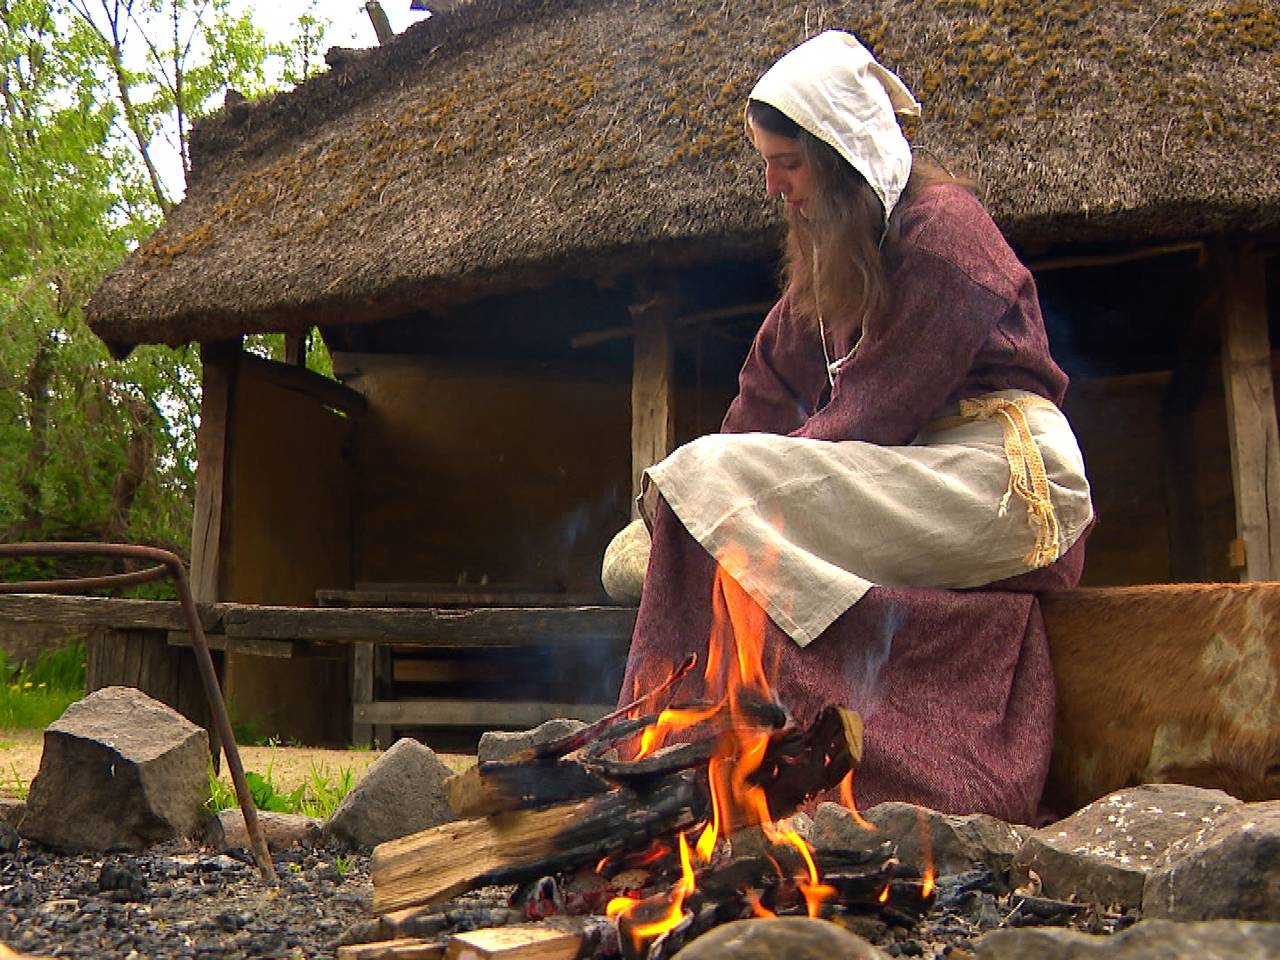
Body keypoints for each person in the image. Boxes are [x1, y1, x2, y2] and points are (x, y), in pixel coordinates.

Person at [614, 30, 1094, 825]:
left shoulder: (946, 233)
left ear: (842, 157)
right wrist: (688, 503)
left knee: (710, 484)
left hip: (1002, 480)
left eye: (789, 163)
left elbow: (878, 412)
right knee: (703, 483)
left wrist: (718, 490)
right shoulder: (833, 256)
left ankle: (655, 743)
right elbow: (764, 394)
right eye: (768, 163)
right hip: (906, 466)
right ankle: (706, 753)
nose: (772, 185)